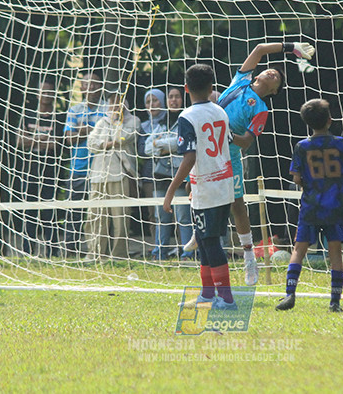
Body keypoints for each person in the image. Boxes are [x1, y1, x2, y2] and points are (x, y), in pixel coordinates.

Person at [186, 41, 314, 285]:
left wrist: (227, 134)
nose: (271, 72)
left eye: (276, 77)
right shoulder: (240, 80)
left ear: (275, 90)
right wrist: (291, 47)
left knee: (237, 204)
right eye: (270, 70)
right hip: (206, 149)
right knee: (191, 188)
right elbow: (259, 49)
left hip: (229, 155)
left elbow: (246, 142)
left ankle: (249, 259)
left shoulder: (262, 109)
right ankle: (197, 231)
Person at [163, 63, 237, 309]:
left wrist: (172, 189)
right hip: (223, 184)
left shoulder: (187, 116)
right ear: (211, 88)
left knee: (211, 241)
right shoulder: (220, 111)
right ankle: (207, 293)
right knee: (205, 240)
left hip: (207, 187)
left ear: (186, 89)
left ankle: (226, 299)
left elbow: (191, 156)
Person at [276, 98, 343, 312]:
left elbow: (296, 178)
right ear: (330, 120)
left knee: (298, 250)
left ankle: (289, 294)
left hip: (311, 206)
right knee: (335, 253)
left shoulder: (302, 146)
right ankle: (334, 302)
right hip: (336, 206)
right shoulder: (341, 144)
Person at [85, 91, 141, 261]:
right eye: (112, 104)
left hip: (119, 174)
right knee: (95, 216)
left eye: (119, 103)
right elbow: (91, 143)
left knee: (120, 217)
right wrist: (108, 143)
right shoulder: (102, 122)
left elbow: (124, 137)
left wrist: (109, 138)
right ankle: (95, 253)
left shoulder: (134, 121)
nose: (115, 107)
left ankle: (118, 255)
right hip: (98, 175)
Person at [16, 79, 66, 256]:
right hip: (29, 170)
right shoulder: (27, 115)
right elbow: (20, 141)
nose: (46, 95)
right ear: (37, 94)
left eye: (49, 91)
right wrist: (43, 140)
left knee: (49, 211)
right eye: (42, 91)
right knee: (29, 210)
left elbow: (58, 144)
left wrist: (34, 140)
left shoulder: (59, 117)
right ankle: (28, 251)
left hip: (51, 170)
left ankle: (52, 251)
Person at [61, 70, 107, 257]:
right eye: (87, 83)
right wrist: (92, 130)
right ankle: (71, 251)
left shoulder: (107, 108)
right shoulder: (74, 110)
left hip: (101, 168)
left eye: (95, 83)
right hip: (78, 169)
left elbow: (107, 134)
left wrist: (82, 130)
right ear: (81, 87)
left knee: (99, 213)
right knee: (75, 212)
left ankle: (97, 250)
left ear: (101, 86)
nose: (91, 87)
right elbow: (68, 138)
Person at [142, 86, 192, 258]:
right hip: (160, 175)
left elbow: (182, 144)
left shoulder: (187, 119)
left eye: (177, 96)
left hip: (180, 173)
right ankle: (160, 252)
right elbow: (147, 148)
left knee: (183, 217)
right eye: (170, 97)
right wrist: (164, 146)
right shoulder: (161, 122)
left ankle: (187, 252)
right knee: (160, 218)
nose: (173, 100)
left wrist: (161, 144)